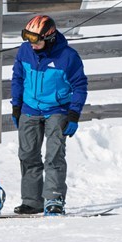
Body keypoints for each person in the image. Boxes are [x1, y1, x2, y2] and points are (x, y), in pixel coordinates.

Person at [10, 15, 88, 215]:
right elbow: (18, 78)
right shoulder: (25, 51)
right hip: (29, 109)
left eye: (36, 40)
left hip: (57, 110)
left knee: (54, 156)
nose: (31, 44)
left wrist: (73, 115)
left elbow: (79, 86)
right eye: (28, 38)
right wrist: (16, 106)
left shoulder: (68, 57)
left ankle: (54, 199)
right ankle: (32, 201)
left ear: (50, 37)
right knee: (27, 156)